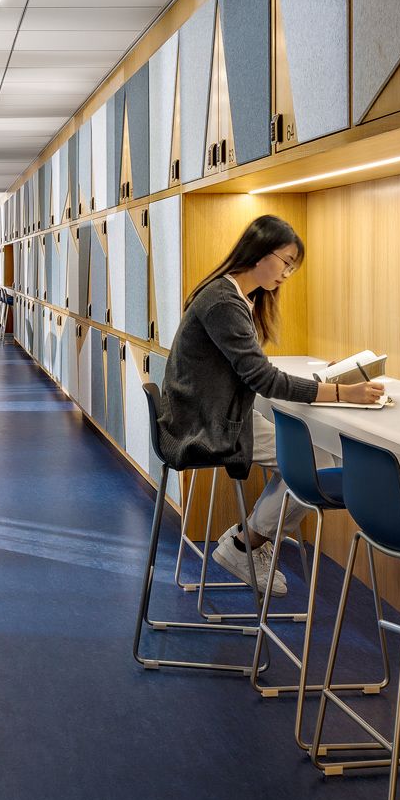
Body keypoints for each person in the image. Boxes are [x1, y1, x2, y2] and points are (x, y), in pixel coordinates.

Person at [158, 214, 383, 596]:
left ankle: (246, 542)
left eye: (292, 267)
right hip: (202, 427)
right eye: (286, 262)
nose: (287, 274)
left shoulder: (233, 296)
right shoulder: (222, 302)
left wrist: (324, 383)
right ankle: (246, 545)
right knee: (313, 462)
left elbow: (256, 370)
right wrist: (345, 393)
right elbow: (264, 379)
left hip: (212, 414)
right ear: (260, 251)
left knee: (312, 456)